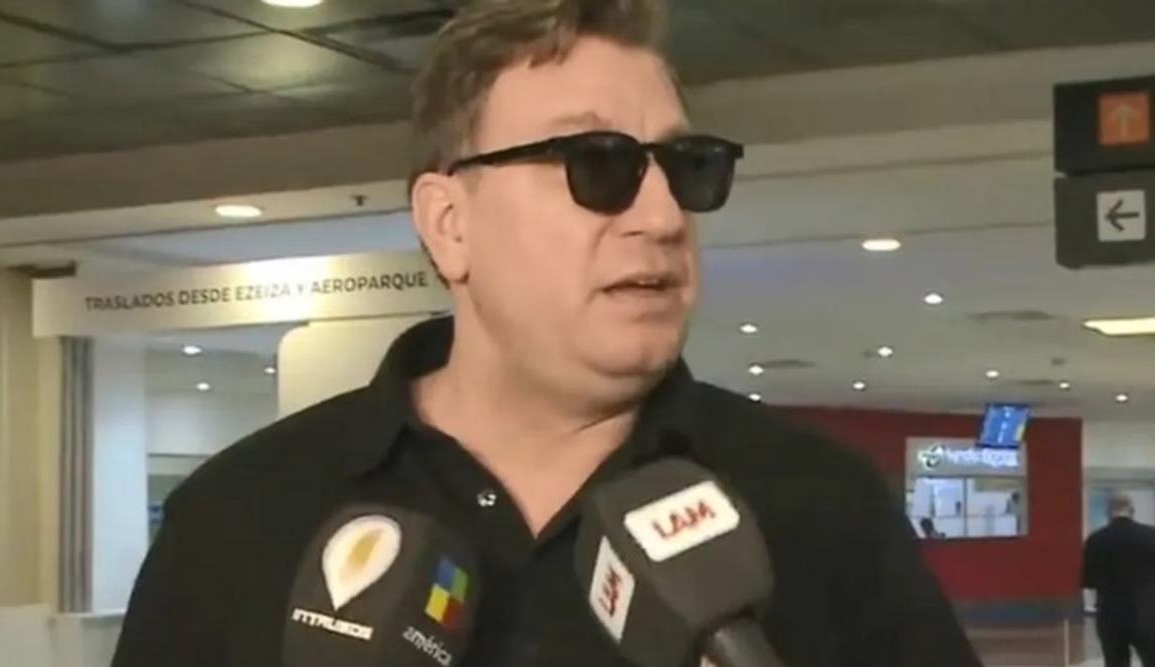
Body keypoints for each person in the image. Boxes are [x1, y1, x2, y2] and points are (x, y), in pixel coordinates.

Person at [112, 1, 980, 665]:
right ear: (449, 223)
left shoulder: (822, 505)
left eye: (684, 166)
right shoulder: (238, 517)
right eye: (595, 163)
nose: (662, 216)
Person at [1083, 493, 1155, 667]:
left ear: (1108, 512)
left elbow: (1088, 580)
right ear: (1132, 510)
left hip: (1111, 615)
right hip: (1147, 613)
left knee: (1116, 662)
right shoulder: (1151, 535)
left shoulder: (1096, 539)